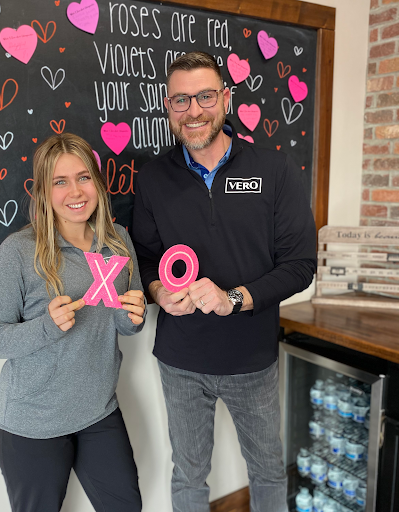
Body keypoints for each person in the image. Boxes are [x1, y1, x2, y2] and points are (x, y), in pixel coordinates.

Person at [132, 51, 317, 512]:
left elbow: (300, 264)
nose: (193, 110)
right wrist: (158, 291)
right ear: (168, 106)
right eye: (180, 100)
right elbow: (146, 258)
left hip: (251, 359)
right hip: (179, 360)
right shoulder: (153, 178)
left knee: (268, 471)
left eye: (205, 96)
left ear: (226, 99)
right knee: (188, 475)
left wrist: (233, 298)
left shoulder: (274, 171)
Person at [0, 133, 146, 512]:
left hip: (99, 409)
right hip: (32, 422)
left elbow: (125, 323)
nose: (75, 191)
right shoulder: (17, 252)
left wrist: (133, 318)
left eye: (84, 177)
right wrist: (47, 326)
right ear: (43, 192)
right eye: (60, 181)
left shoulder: (118, 240)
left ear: (98, 183)